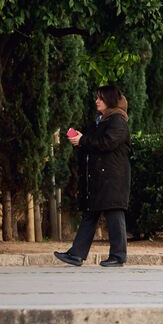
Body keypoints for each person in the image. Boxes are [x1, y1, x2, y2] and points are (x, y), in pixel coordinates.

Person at [55, 85, 131, 267]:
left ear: (110, 100)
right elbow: (95, 143)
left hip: (113, 178)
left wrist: (83, 140)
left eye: (101, 98)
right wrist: (81, 139)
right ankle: (76, 254)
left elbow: (107, 143)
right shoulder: (103, 120)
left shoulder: (118, 120)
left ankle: (118, 256)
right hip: (101, 178)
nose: (97, 101)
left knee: (114, 213)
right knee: (90, 214)